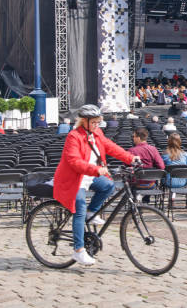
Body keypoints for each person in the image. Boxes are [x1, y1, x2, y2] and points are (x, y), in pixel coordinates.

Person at [53, 104, 140, 266]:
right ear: (84, 122)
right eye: (93, 122)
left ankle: (91, 212)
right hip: (75, 178)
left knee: (108, 186)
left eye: (97, 122)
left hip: (90, 175)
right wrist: (96, 170)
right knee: (79, 207)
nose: (96, 125)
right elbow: (74, 161)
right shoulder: (73, 136)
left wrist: (129, 158)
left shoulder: (97, 133)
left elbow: (110, 147)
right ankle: (78, 251)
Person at [128, 127, 165, 203]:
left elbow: (127, 166)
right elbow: (161, 166)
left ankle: (136, 202)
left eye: (134, 136)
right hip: (150, 184)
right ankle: (145, 202)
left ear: (138, 138)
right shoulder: (153, 149)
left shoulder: (131, 150)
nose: (133, 138)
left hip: (136, 184)